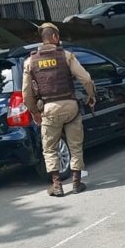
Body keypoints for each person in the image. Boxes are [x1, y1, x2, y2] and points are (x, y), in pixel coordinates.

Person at [22, 22, 97, 197]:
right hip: (70, 106)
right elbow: (85, 79)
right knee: (75, 145)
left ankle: (57, 185)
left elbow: (26, 93)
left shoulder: (30, 61)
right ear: (55, 37)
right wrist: (91, 96)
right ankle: (77, 182)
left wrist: (34, 112)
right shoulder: (66, 55)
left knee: (49, 148)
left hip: (48, 109)